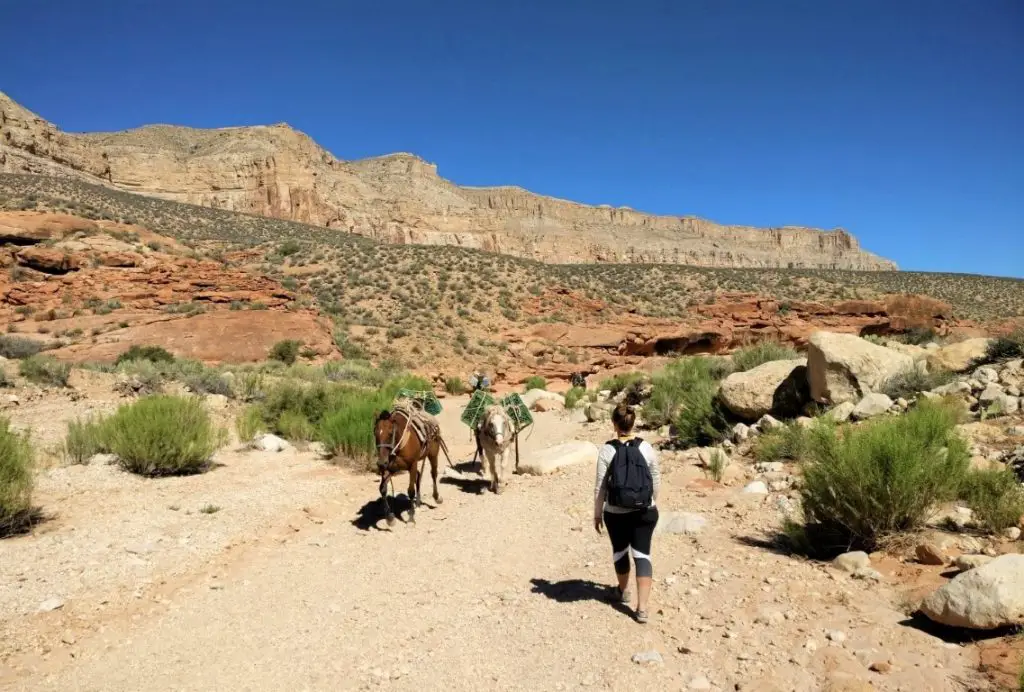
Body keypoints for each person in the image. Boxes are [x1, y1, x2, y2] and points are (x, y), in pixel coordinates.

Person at [593, 403, 660, 623]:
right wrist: (651, 501)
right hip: (645, 510)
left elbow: (601, 486)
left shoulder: (607, 449)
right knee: (642, 554)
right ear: (633, 423)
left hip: (616, 512)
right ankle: (642, 609)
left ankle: (622, 592)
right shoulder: (646, 448)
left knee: (620, 551)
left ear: (614, 424)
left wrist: (597, 513)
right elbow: (655, 479)